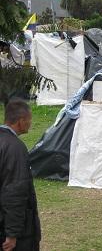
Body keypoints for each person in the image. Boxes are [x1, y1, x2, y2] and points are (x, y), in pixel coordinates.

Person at [0, 100, 41, 251]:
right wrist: (12, 233)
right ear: (21, 121)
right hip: (7, 230)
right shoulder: (15, 148)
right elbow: (14, 192)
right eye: (29, 119)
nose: (30, 123)